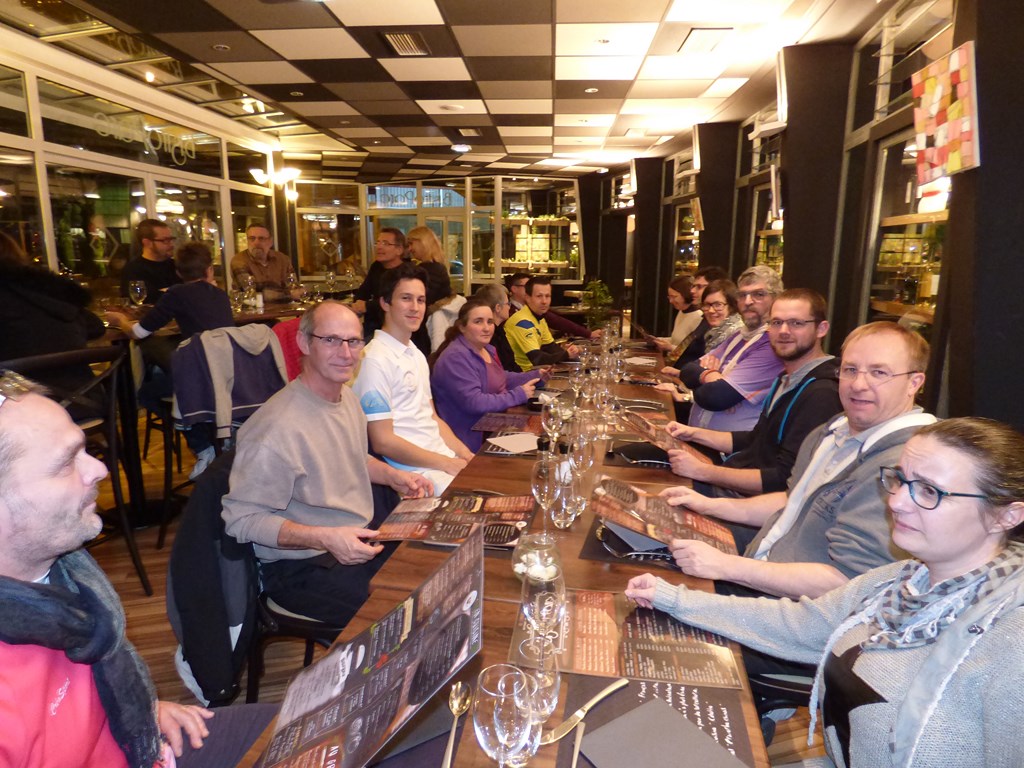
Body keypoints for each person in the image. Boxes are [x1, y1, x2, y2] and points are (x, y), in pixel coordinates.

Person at [627, 417, 1024, 768]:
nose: (898, 501)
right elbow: (804, 624)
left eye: (929, 491)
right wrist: (675, 599)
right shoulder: (899, 579)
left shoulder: (1012, 641)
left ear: (1007, 515)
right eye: (900, 480)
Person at [0, 371, 276, 767]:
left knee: (323, 724)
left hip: (138, 741)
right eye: (65, 463)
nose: (99, 469)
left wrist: (138, 708)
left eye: (84, 450)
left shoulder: (68, 577)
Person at [659, 321, 934, 596]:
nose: (859, 384)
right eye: (850, 370)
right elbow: (793, 500)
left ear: (914, 383)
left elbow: (847, 584)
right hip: (761, 565)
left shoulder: (905, 463)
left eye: (879, 373)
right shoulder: (834, 428)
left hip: (784, 605)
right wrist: (708, 506)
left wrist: (727, 566)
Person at [221, 301, 432, 624]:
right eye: (331, 340)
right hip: (302, 566)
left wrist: (392, 476)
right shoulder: (276, 429)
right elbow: (241, 521)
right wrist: (325, 537)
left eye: (354, 341)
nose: (345, 353)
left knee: (435, 574)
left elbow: (350, 456)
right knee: (408, 618)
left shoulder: (346, 398)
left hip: (356, 539)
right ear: (304, 343)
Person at [664, 288, 841, 498]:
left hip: (751, 501)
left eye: (796, 323)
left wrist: (703, 471)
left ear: (821, 329)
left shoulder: (822, 393)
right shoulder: (785, 378)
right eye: (776, 322)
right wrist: (692, 433)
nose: (784, 331)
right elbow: (755, 440)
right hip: (737, 481)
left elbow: (784, 480)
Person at [352, 262, 474, 494]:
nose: (415, 308)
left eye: (421, 300)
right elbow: (382, 441)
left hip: (440, 460)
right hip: (415, 475)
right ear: (385, 303)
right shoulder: (374, 359)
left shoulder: (415, 353)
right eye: (406, 298)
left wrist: (465, 455)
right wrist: (447, 463)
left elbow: (432, 418)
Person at [678, 265, 784, 432]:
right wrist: (712, 375)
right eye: (742, 295)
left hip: (731, 446)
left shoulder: (772, 344)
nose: (747, 302)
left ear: (776, 299)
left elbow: (714, 397)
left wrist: (704, 377)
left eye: (758, 294)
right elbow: (687, 371)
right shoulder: (739, 336)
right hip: (699, 437)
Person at [0, 231, 105, 394]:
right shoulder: (49, 292)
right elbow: (97, 327)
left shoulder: (8, 298)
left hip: (23, 405)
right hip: (83, 400)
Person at [431, 299, 541, 451]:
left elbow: (501, 378)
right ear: (462, 327)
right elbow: (474, 402)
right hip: (469, 441)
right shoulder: (455, 357)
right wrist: (518, 395)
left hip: (492, 424)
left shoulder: (486, 349)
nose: (486, 328)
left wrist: (537, 376)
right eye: (478, 322)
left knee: (544, 431)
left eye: (490, 322)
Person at [106, 241, 233, 343]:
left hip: (199, 361)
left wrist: (120, 320)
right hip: (228, 361)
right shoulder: (220, 294)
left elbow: (138, 333)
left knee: (147, 346)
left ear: (178, 273)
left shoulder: (177, 293)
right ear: (210, 270)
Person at [505, 275, 580, 372]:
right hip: (523, 375)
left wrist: (571, 352)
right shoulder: (522, 321)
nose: (544, 301)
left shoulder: (539, 318)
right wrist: (566, 354)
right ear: (527, 298)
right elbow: (538, 359)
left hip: (539, 372)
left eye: (547, 296)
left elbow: (551, 348)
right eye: (539, 296)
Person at [505, 272, 598, 340]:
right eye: (526, 286)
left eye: (547, 296)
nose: (544, 301)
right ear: (514, 289)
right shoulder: (508, 311)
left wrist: (588, 334)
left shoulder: (535, 309)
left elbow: (559, 321)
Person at [351, 227, 407, 341]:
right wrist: (358, 304)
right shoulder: (376, 266)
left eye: (385, 243)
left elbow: (394, 302)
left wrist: (367, 306)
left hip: (396, 329)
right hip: (372, 326)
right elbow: (363, 293)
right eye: (378, 242)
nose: (379, 247)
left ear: (399, 250)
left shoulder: (406, 272)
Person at [120, 218, 181, 301]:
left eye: (171, 239)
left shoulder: (177, 265)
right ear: (147, 243)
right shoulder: (134, 270)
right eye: (165, 240)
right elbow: (140, 301)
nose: (171, 244)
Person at [229, 223, 295, 299]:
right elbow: (251, 294)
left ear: (271, 242)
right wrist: (289, 294)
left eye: (261, 238)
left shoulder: (283, 259)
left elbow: (294, 287)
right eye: (252, 238)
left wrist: (291, 293)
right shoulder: (239, 261)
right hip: (251, 306)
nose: (256, 243)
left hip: (286, 306)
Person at [651, 274, 704, 358]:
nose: (671, 301)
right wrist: (658, 340)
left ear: (686, 294)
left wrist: (670, 347)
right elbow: (676, 340)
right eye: (669, 297)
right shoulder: (681, 312)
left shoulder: (698, 316)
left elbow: (694, 352)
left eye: (674, 297)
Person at [475, 283, 520, 372]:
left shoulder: (500, 331)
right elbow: (503, 369)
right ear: (498, 308)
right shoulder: (488, 337)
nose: (509, 307)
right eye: (508, 303)